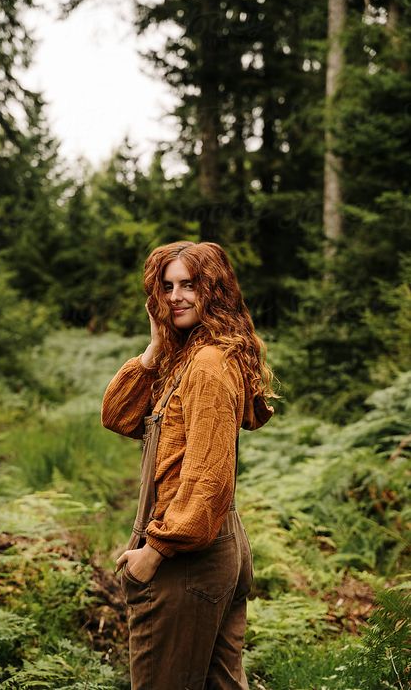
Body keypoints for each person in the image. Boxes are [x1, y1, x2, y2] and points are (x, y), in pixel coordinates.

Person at [101, 240, 276, 690]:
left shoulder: (209, 366)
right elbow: (118, 416)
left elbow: (207, 476)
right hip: (213, 547)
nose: (176, 296)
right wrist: (154, 349)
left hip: (190, 556)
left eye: (189, 285)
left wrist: (155, 552)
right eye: (167, 286)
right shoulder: (187, 359)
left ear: (213, 291)